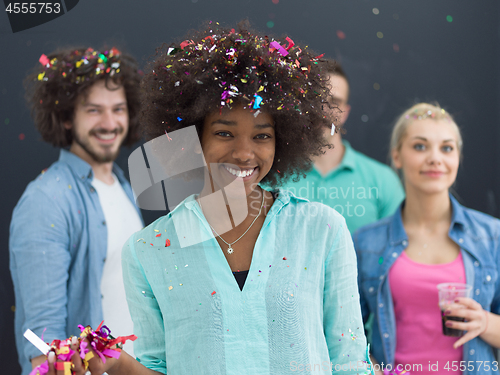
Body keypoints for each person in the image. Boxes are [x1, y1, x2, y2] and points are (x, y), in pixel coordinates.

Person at [42, 22, 372, 375]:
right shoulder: (148, 250)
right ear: (192, 138)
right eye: (224, 132)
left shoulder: (321, 230)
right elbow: (159, 366)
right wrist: (118, 364)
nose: (245, 153)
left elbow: (351, 364)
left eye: (262, 136)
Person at [9, 46, 144, 374]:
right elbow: (43, 343)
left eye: (118, 109)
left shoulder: (123, 186)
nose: (110, 123)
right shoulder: (46, 200)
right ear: (67, 117)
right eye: (94, 110)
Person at [353, 103, 500, 375]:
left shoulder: (493, 236)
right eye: (420, 146)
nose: (435, 158)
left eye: (447, 148)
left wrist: (486, 323)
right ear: (397, 156)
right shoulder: (365, 243)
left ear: (458, 157)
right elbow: (346, 335)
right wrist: (374, 370)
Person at [282, 59, 404, 234]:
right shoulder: (273, 176)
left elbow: (398, 251)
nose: (323, 110)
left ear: (346, 112)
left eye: (334, 101)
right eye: (315, 99)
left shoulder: (383, 181)